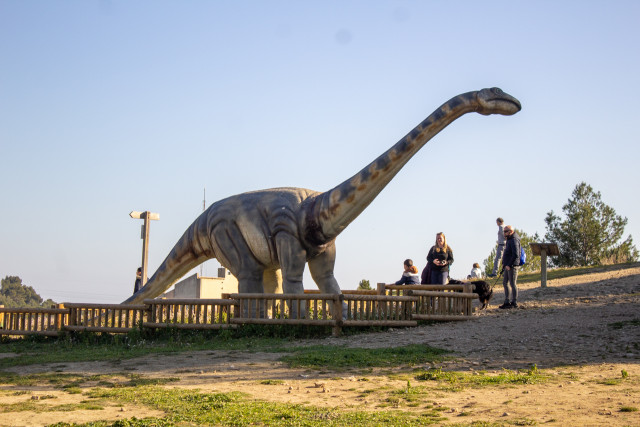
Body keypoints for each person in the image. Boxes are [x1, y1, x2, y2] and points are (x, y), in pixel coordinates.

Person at [499, 225, 521, 309]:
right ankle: (507, 301)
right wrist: (504, 263)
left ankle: (514, 302)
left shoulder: (514, 240)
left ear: (511, 231)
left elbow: (516, 254)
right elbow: (507, 253)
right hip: (507, 265)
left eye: (505, 231)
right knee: (505, 283)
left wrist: (509, 264)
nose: (504, 233)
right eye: (504, 231)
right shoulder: (509, 240)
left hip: (512, 266)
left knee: (512, 283)